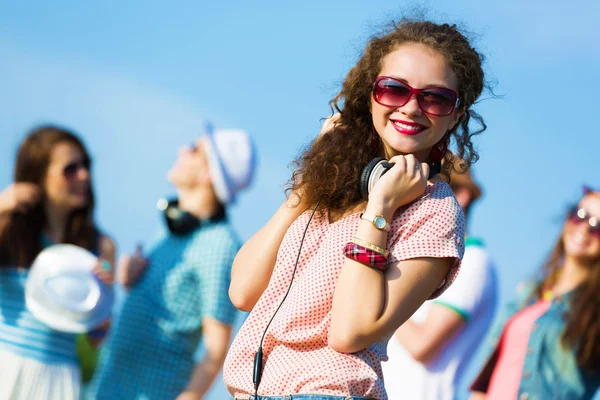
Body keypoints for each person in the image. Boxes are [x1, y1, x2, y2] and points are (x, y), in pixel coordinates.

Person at [223, 17, 487, 400]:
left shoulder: (437, 213)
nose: (412, 108)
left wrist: (381, 207)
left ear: (455, 115)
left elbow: (350, 330)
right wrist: (309, 184)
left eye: (435, 98)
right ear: (370, 95)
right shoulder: (336, 183)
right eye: (395, 90)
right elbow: (243, 292)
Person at [89, 127, 256, 400]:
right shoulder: (169, 230)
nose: (181, 150)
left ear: (209, 174)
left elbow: (217, 348)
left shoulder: (220, 244)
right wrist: (128, 283)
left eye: (193, 148)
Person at [0, 125, 116, 400]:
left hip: (58, 380)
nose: (84, 175)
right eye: (70, 168)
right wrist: (3, 204)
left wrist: (103, 299)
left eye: (85, 165)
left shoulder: (102, 246)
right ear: (39, 174)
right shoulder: (9, 226)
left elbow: (95, 339)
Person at [470, 188, 600, 400]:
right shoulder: (529, 294)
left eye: (597, 227)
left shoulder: (594, 314)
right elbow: (489, 374)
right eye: (580, 215)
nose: (585, 228)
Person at [382, 166, 498, 400]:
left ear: (461, 195)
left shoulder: (473, 260)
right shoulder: (408, 257)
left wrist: (378, 279)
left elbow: (422, 345)